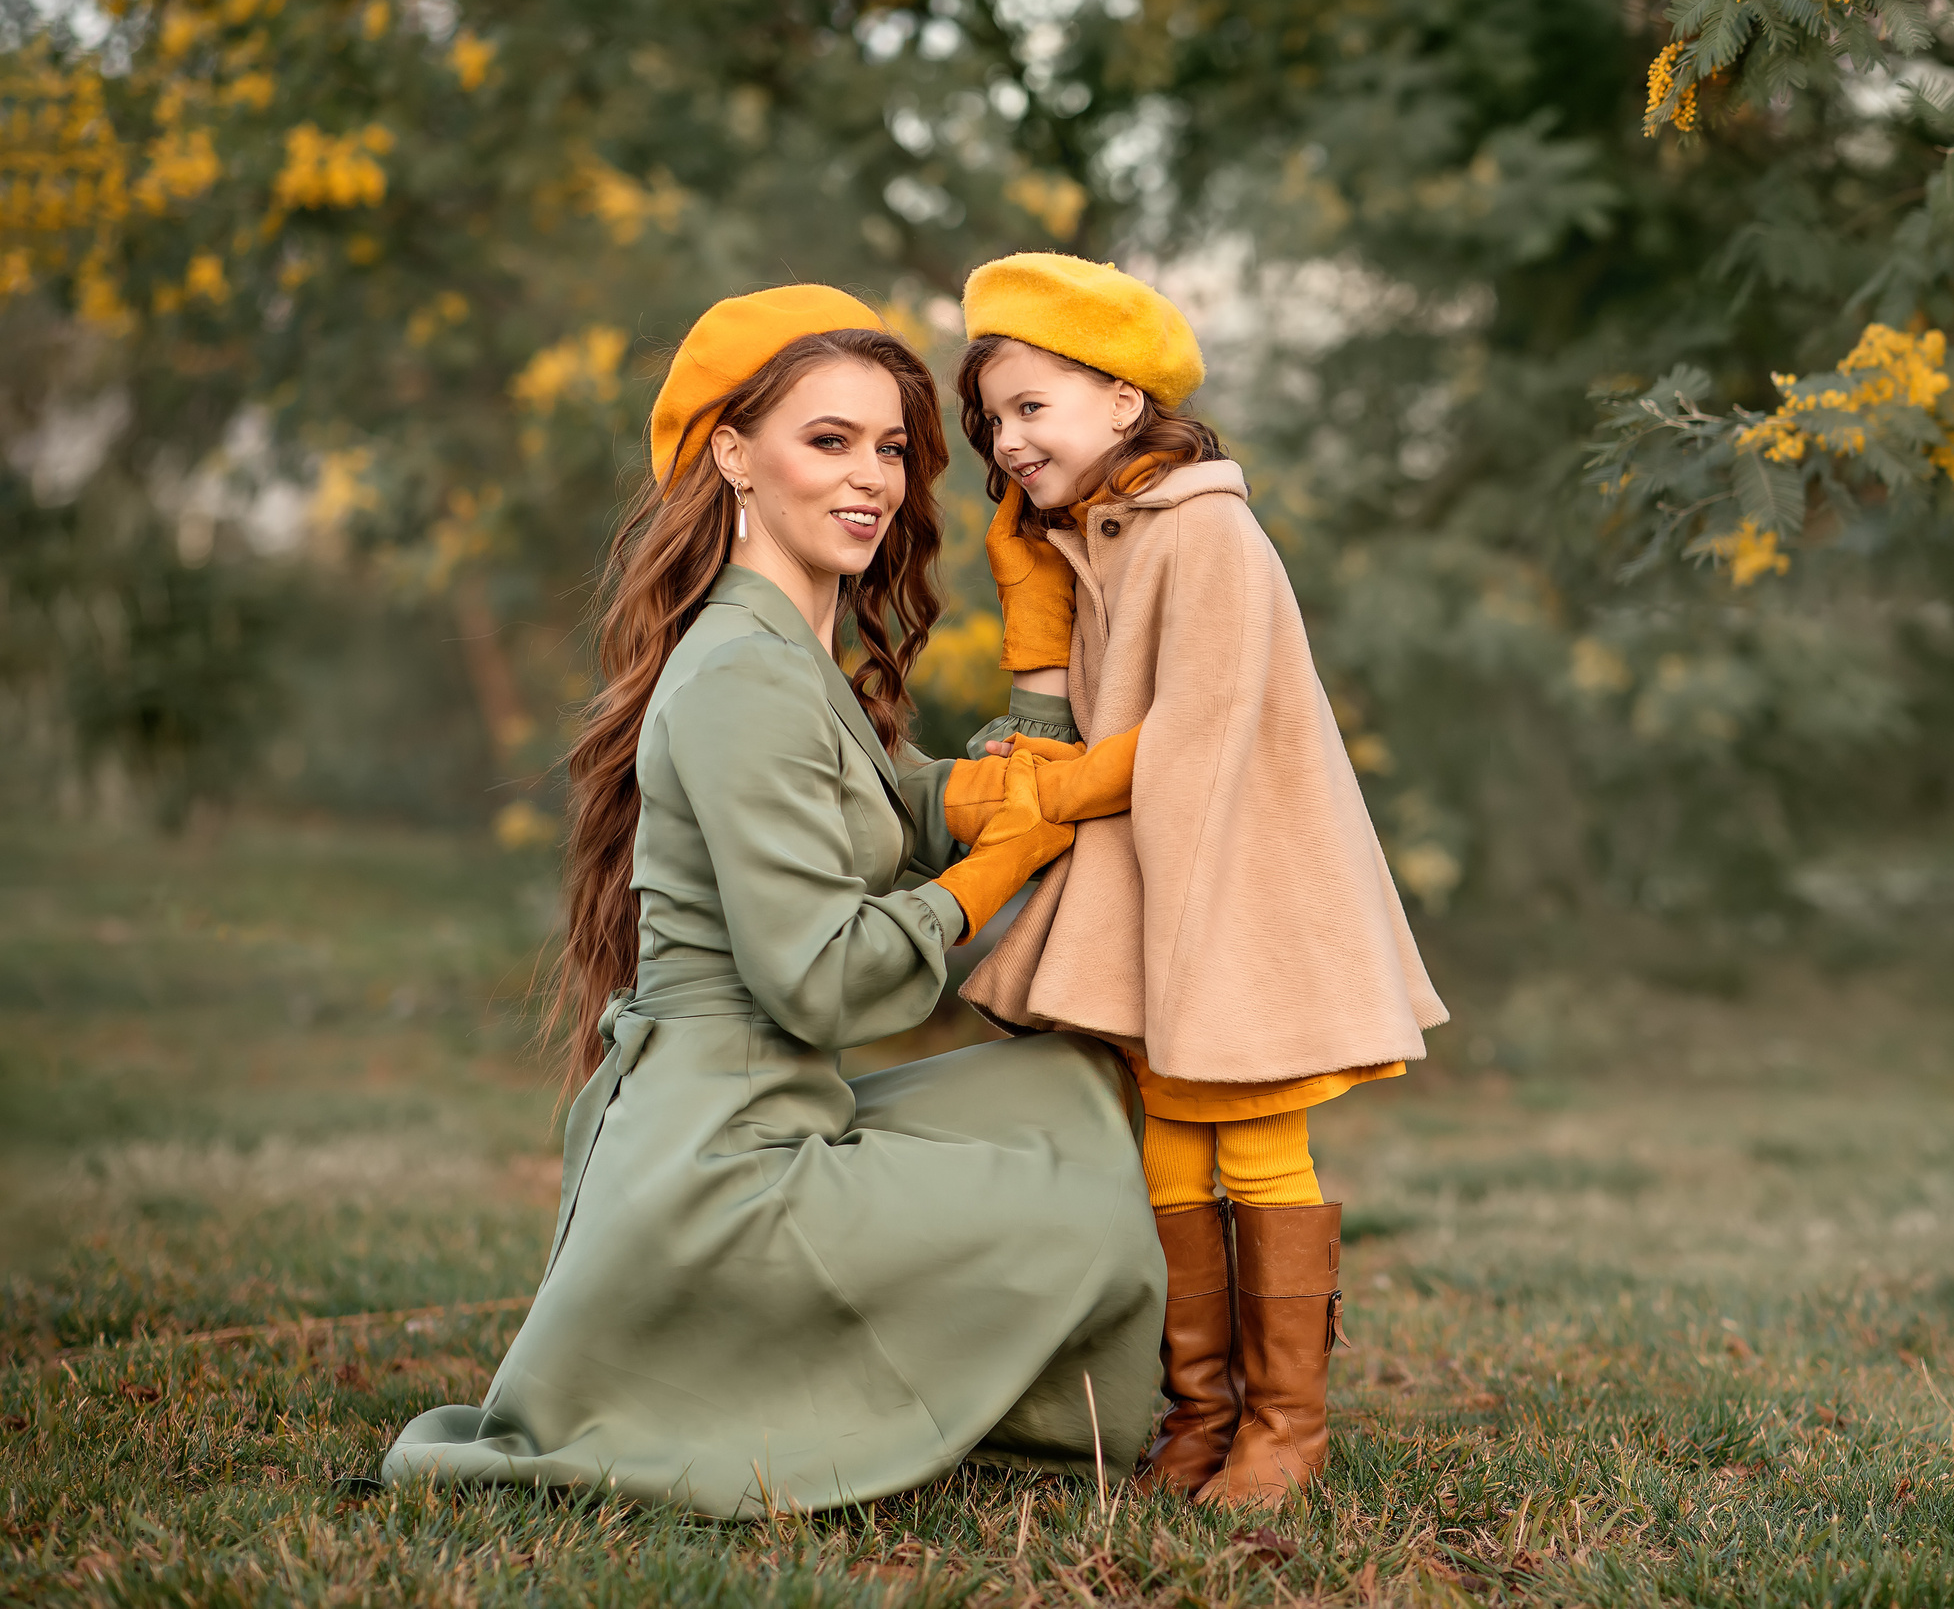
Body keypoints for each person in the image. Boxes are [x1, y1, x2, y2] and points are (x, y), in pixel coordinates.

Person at [379, 286, 1166, 1518]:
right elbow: (825, 982)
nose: (874, 479)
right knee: (1078, 1217)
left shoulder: (783, 653)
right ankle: (1097, 1409)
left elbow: (881, 803)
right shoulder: (743, 672)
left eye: (893, 447)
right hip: (726, 1172)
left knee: (1062, 1091)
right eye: (830, 441)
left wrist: (1008, 758)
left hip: (763, 1111)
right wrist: (997, 868)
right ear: (734, 457)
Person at [948, 253, 1448, 1510]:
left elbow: (1203, 728)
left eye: (1031, 408)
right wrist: (1030, 587)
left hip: (1237, 878)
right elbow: (1062, 711)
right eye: (991, 420)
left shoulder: (1205, 528)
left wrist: (1048, 795)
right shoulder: (1099, 536)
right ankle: (1199, 1412)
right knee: (1170, 1134)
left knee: (1255, 1132)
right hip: (1162, 874)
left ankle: (1285, 1427)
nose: (1005, 441)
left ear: (1122, 402)